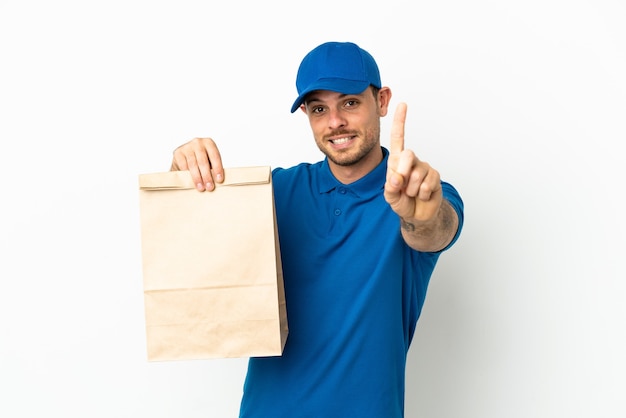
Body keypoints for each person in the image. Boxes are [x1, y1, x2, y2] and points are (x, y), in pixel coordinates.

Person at [170, 41, 464, 418]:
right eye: (319, 109)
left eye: (350, 102)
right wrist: (181, 173)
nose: (335, 122)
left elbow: (434, 230)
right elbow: (191, 241)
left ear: (383, 101)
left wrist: (421, 214)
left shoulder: (418, 192)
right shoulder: (274, 191)